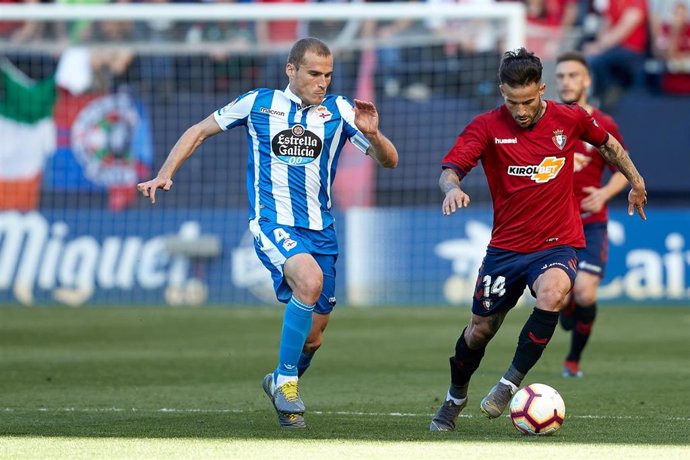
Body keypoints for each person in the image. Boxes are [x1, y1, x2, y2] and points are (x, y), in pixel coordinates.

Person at [137, 37, 398, 429]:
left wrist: (375, 136)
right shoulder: (258, 103)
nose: (322, 82)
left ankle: (280, 378)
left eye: (327, 75)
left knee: (314, 338)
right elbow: (198, 131)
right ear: (290, 70)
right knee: (308, 281)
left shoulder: (340, 110)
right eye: (313, 74)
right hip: (272, 222)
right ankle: (289, 385)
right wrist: (165, 172)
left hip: (321, 230)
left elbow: (390, 162)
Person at [429, 47, 646, 432]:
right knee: (480, 330)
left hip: (557, 241)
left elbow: (609, 144)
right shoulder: (485, 127)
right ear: (502, 92)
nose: (521, 111)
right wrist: (451, 189)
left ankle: (508, 384)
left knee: (554, 293)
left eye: (528, 101)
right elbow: (451, 168)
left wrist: (634, 179)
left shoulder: (572, 118)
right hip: (506, 249)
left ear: (542, 89)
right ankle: (454, 397)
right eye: (513, 102)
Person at [554, 50, 629, 378]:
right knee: (554, 297)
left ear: (586, 80)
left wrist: (604, 193)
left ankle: (573, 361)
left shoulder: (603, 123)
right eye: (560, 76)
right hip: (552, 225)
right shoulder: (546, 121)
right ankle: (566, 305)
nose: (566, 81)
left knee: (584, 292)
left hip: (590, 224)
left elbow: (624, 170)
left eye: (573, 75)